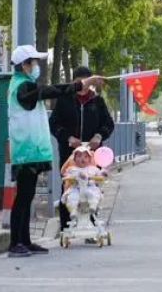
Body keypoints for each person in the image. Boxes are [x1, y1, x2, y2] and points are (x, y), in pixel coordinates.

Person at [7, 45, 103, 258]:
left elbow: (44, 92)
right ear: (24, 65)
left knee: (28, 196)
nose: (36, 66)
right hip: (25, 150)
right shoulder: (21, 87)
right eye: (34, 62)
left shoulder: (24, 84)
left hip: (31, 150)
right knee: (23, 197)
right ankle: (15, 243)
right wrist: (80, 84)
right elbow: (49, 91)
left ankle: (25, 241)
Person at [49, 66, 115, 230]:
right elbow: (54, 124)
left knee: (92, 186)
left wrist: (99, 136)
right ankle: (66, 227)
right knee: (69, 186)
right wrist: (68, 138)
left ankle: (91, 225)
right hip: (69, 153)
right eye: (80, 82)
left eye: (87, 82)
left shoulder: (97, 101)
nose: (84, 86)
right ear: (74, 81)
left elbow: (108, 124)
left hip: (92, 154)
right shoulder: (64, 100)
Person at [60, 145, 105, 219]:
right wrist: (70, 177)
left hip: (89, 187)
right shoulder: (72, 169)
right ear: (74, 159)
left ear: (90, 159)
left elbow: (99, 175)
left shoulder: (93, 169)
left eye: (85, 157)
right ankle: (73, 210)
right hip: (76, 188)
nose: (82, 159)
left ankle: (93, 206)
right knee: (72, 197)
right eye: (79, 156)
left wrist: (103, 174)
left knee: (93, 194)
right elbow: (66, 175)